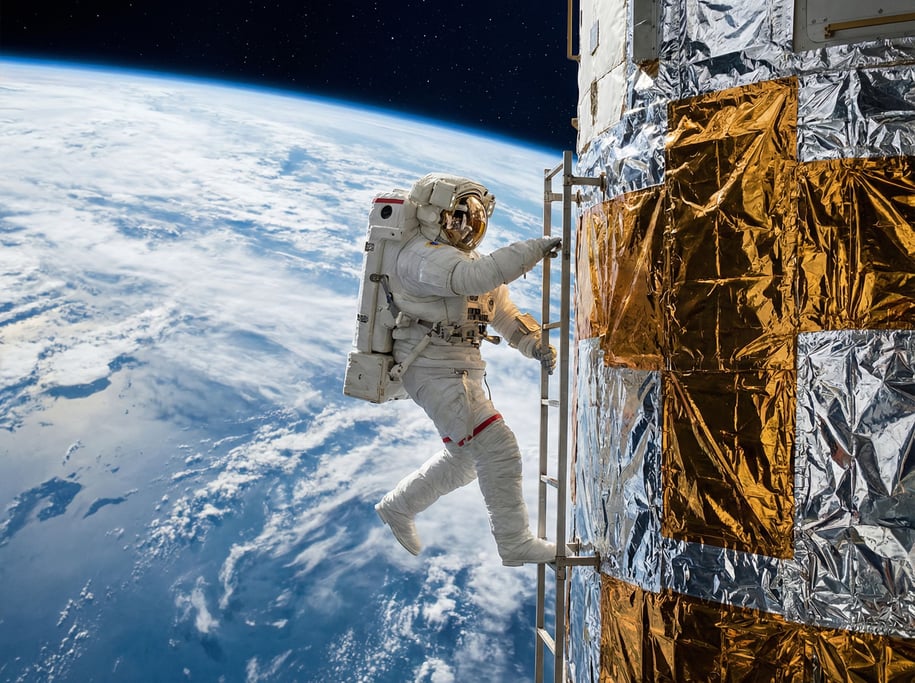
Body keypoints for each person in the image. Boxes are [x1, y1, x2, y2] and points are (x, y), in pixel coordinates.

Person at [374, 173, 560, 566]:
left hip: (457, 371)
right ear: (434, 216)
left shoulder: (467, 262)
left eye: (472, 218)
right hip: (430, 368)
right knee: (498, 448)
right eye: (456, 217)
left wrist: (534, 345)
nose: (465, 227)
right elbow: (474, 279)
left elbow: (503, 314)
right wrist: (535, 249)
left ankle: (398, 506)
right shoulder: (420, 258)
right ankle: (515, 542)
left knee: (465, 461)